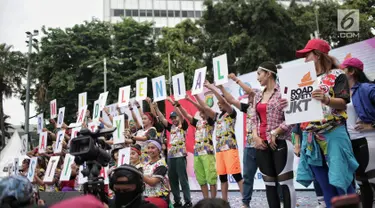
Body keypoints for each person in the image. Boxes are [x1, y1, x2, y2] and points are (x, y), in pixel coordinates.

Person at [295, 39, 358, 207]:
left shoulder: (338, 75)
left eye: (306, 55)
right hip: (311, 138)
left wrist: (326, 99)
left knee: (341, 182)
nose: (304, 60)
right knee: (324, 186)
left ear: (317, 55)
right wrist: (289, 107)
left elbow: (344, 102)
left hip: (334, 133)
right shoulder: (303, 81)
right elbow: (298, 114)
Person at [251, 61, 295, 208]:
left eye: (259, 73)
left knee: (285, 182)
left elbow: (292, 118)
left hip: (281, 142)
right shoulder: (257, 95)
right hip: (261, 144)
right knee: (269, 184)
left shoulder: (284, 92)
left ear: (268, 73)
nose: (257, 77)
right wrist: (255, 136)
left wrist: (276, 132)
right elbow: (253, 119)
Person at [196, 80, 244, 202]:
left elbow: (223, 101)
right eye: (218, 103)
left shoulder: (231, 113)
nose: (219, 104)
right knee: (222, 177)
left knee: (237, 175)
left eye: (220, 103)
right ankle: (224, 202)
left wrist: (212, 88)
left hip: (230, 148)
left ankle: (245, 200)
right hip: (219, 150)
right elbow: (206, 108)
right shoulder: (217, 116)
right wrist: (196, 95)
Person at [342, 57, 375, 208]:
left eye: (343, 69)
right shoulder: (341, 93)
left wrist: (372, 125)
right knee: (363, 185)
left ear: (352, 71)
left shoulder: (367, 88)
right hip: (351, 143)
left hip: (369, 140)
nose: (339, 72)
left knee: (373, 182)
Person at [222, 73, 259, 208]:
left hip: (262, 145)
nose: (249, 98)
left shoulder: (262, 106)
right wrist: (221, 87)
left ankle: (280, 200)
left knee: (269, 177)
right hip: (249, 146)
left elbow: (251, 92)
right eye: (248, 97)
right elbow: (231, 100)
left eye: (250, 97)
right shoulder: (247, 108)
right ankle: (245, 203)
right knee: (248, 177)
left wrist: (235, 79)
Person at [176, 95, 218, 199]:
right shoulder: (198, 122)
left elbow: (203, 109)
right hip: (197, 154)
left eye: (203, 111)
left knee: (211, 177)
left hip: (207, 153)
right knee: (201, 178)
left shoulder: (210, 121)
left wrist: (190, 99)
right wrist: (178, 105)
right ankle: (206, 200)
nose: (201, 112)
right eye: (201, 112)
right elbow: (186, 115)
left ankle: (213, 201)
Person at [154, 98, 192, 207]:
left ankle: (188, 201)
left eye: (174, 117)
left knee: (183, 179)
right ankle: (177, 201)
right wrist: (156, 107)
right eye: (172, 118)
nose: (173, 120)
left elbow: (181, 115)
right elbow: (161, 118)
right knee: (173, 179)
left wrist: (173, 103)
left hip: (180, 156)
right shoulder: (171, 127)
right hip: (171, 157)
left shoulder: (183, 126)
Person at [293, 124, 326, 208]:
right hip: (307, 141)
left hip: (324, 138)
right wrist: (297, 145)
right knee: (316, 173)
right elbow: (296, 127)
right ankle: (321, 201)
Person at [143, 139, 170, 208]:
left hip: (160, 197)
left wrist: (138, 174)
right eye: (148, 148)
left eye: (153, 148)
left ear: (159, 150)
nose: (150, 150)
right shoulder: (146, 164)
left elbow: (152, 182)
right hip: (147, 196)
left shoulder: (161, 165)